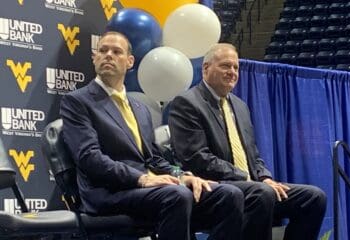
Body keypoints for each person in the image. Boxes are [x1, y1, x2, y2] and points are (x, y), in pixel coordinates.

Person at [60, 32, 244, 240]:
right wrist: (141, 179)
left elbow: (153, 159)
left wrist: (182, 175)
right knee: (177, 195)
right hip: (108, 192)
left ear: (130, 62)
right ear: (94, 58)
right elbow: (89, 158)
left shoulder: (140, 108)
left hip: (148, 188)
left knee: (229, 195)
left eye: (116, 51)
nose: (108, 55)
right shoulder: (77, 101)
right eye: (103, 51)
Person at [168, 43, 327, 240]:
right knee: (261, 194)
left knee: (313, 197)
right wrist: (245, 178)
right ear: (206, 67)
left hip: (251, 186)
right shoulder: (187, 102)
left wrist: (264, 177)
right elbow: (197, 158)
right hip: (213, 188)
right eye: (225, 66)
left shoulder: (240, 106)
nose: (232, 72)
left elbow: (253, 156)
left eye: (236, 68)